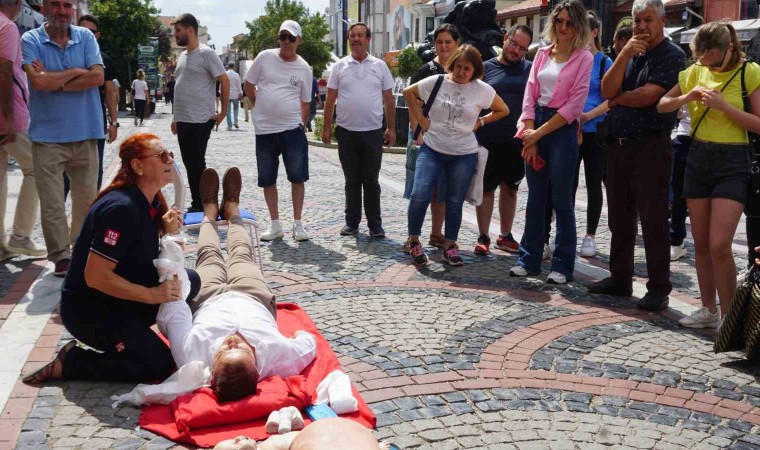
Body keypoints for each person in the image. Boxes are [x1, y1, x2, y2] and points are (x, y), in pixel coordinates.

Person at [21, 134, 200, 384]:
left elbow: (138, 249)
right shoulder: (121, 209)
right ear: (138, 166)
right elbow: (95, 276)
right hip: (92, 311)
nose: (169, 160)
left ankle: (138, 334)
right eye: (161, 156)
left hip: (118, 298)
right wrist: (153, 296)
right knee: (159, 365)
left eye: (170, 154)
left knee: (191, 280)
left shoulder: (147, 200)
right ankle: (71, 363)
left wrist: (164, 229)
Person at [157, 167, 317, 403]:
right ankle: (232, 209)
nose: (232, 341)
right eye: (240, 349)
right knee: (242, 253)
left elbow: (173, 310)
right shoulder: (281, 359)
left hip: (207, 297)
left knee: (208, 254)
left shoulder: (191, 358)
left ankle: (209, 212)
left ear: (211, 370)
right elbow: (308, 342)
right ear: (258, 368)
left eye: (223, 351)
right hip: (253, 296)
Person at [657, 22, 760, 328]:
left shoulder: (749, 72)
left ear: (729, 49)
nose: (705, 63)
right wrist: (685, 99)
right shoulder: (694, 71)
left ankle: (729, 317)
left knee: (719, 243)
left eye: (711, 58)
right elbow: (662, 105)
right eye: (701, 58)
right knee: (700, 242)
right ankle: (708, 309)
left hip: (734, 161)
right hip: (698, 157)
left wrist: (724, 106)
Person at [592, 0, 685, 309]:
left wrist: (617, 99)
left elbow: (649, 95)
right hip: (618, 146)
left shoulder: (672, 55)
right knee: (619, 218)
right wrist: (623, 54)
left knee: (653, 220)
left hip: (651, 147)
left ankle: (659, 287)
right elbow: (607, 90)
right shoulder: (631, 53)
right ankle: (620, 277)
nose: (641, 26)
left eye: (647, 19)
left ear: (662, 20)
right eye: (637, 20)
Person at [509, 0, 593, 284]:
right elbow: (529, 96)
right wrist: (529, 137)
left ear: (579, 25)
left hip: (561, 129)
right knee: (535, 198)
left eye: (570, 22)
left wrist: (539, 133)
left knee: (561, 199)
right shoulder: (543, 54)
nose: (564, 27)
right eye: (560, 21)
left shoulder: (585, 58)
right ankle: (528, 258)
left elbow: (573, 106)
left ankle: (562, 265)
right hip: (536, 126)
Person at [403, 44, 509, 266]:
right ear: (452, 65)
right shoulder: (438, 81)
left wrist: (481, 121)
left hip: (463, 153)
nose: (461, 72)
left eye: (467, 68)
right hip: (432, 149)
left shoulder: (482, 89)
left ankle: (450, 245)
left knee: (454, 201)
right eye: (458, 67)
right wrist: (422, 120)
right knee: (420, 194)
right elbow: (408, 92)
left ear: (475, 70)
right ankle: (413, 240)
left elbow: (503, 110)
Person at [21, 0, 105, 277]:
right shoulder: (31, 39)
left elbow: (97, 77)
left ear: (74, 10)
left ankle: (79, 249)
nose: (61, 10)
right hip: (47, 135)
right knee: (53, 202)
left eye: (67, 5)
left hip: (85, 130)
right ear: (44, 9)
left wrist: (53, 79)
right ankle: (60, 256)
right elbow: (38, 83)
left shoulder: (86, 37)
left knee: (86, 200)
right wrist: (74, 72)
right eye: (55, 5)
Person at [323, 22, 396, 238]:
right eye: (353, 36)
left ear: (368, 39)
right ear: (349, 40)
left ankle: (375, 224)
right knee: (352, 180)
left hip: (373, 132)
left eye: (360, 35)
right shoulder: (340, 66)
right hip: (346, 132)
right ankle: (352, 222)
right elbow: (330, 99)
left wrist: (391, 128)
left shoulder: (380, 66)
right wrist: (327, 127)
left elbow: (389, 100)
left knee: (371, 181)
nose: (356, 39)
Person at [244, 20, 312, 242]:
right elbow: (248, 85)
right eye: (283, 36)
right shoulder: (264, 57)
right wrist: (259, 106)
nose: (286, 41)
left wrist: (301, 125)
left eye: (291, 38)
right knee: (267, 178)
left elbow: (305, 101)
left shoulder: (304, 67)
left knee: (297, 177)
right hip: (264, 130)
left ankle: (298, 224)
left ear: (299, 41)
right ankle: (275, 225)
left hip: (292, 130)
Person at [473, 24, 533, 255]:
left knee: (511, 189)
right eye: (514, 44)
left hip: (517, 141)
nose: (516, 50)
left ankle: (505, 236)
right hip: (487, 140)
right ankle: (483, 236)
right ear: (506, 39)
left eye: (522, 48)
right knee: (486, 189)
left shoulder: (530, 70)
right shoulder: (485, 69)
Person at [403, 23, 459, 252]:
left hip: (449, 139)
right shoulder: (426, 70)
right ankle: (412, 237)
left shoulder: (461, 71)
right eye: (439, 42)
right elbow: (412, 101)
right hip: (424, 138)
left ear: (457, 44)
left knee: (442, 189)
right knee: (421, 190)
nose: (443, 46)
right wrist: (418, 132)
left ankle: (437, 233)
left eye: (448, 42)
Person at [0, 0, 45, 261]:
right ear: (17, 4)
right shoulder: (7, 27)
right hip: (9, 114)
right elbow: (4, 72)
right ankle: (20, 236)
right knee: (37, 167)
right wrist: (6, 118)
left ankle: (2, 245)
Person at [171, 13, 229, 212]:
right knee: (189, 163)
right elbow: (181, 87)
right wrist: (175, 117)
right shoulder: (182, 56)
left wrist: (223, 112)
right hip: (184, 119)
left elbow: (224, 80)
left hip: (201, 118)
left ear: (190, 30)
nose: (175, 35)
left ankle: (205, 202)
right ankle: (198, 203)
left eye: (178, 31)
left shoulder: (206, 54)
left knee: (197, 162)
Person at [573, 11, 613, 257]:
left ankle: (590, 235)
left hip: (594, 131)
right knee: (566, 182)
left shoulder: (603, 62)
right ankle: (565, 233)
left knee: (593, 183)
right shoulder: (574, 59)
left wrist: (588, 116)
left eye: (583, 30)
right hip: (571, 129)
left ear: (595, 32)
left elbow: (611, 100)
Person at [77, 14, 117, 191]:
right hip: (70, 120)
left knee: (95, 170)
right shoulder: (68, 54)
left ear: (98, 35)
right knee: (64, 175)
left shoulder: (104, 59)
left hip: (95, 121)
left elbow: (109, 92)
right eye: (82, 30)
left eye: (91, 32)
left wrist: (113, 123)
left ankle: (92, 211)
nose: (86, 34)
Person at [213, 418, 387, 450]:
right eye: (235, 445)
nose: (237, 437)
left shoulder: (261, 445)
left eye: (231, 439)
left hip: (320, 435)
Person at [669, 105, 691, 261]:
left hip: (718, 140)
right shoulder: (683, 79)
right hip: (685, 136)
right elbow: (665, 102)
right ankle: (676, 242)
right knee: (678, 194)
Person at [226, 62, 242, 130]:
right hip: (235, 94)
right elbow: (239, 85)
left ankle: (229, 125)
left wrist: (221, 92)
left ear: (228, 67)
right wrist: (240, 92)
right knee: (236, 108)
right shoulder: (236, 75)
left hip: (227, 94)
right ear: (234, 67)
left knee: (228, 110)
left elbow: (222, 84)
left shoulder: (225, 74)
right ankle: (235, 121)